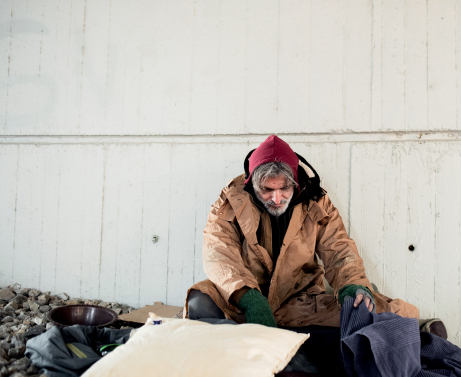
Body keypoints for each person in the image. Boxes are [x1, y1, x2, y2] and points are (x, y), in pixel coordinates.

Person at [183, 135, 445, 373]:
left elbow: (339, 250)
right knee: (199, 299)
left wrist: (353, 285)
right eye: (267, 190)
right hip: (243, 301)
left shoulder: (317, 202)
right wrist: (249, 298)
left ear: (295, 183)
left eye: (284, 188)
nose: (276, 198)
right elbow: (218, 254)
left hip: (300, 300)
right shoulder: (230, 201)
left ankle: (419, 333)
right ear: (252, 185)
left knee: (363, 305)